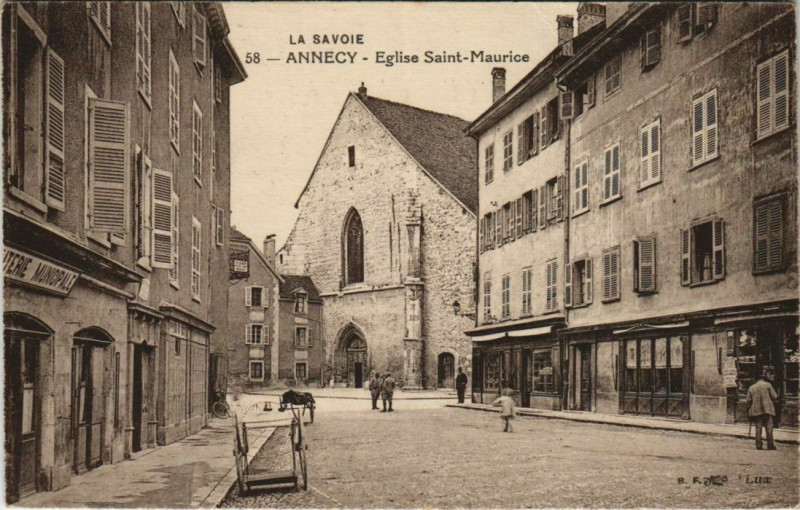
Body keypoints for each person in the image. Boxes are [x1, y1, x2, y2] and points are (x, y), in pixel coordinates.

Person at [746, 368, 779, 450]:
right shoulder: (768, 385)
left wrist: (753, 404)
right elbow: (775, 396)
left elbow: (748, 399)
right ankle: (770, 445)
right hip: (767, 410)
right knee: (769, 428)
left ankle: (759, 445)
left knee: (758, 428)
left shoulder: (752, 387)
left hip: (757, 411)